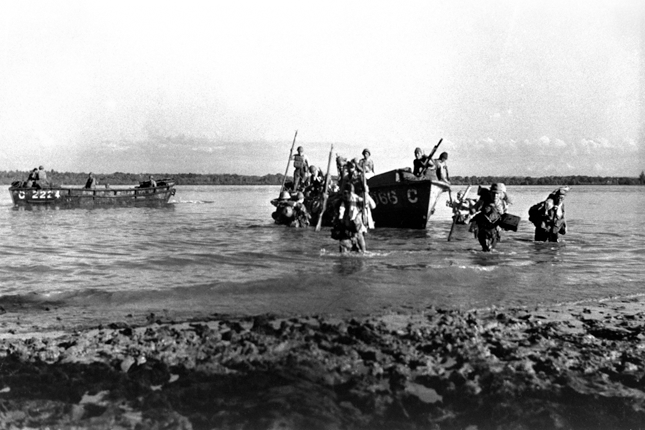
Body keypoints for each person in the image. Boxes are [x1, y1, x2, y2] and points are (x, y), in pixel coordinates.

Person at [469, 183, 511, 251]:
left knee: (491, 248)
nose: (495, 195)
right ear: (490, 192)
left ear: (502, 194)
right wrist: (471, 210)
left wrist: (506, 225)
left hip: (495, 229)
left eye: (498, 193)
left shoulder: (503, 203)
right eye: (493, 193)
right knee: (485, 247)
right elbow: (474, 209)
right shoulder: (484, 200)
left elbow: (505, 214)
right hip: (483, 227)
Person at [332, 184, 367, 254]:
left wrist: (365, 192)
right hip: (345, 234)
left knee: (363, 253)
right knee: (343, 256)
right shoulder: (339, 202)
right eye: (344, 193)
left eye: (347, 193)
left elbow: (367, 204)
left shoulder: (358, 200)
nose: (345, 195)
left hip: (357, 233)